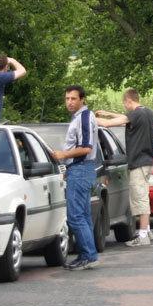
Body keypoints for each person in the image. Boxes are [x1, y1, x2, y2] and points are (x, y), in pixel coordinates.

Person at [96, 88, 153, 246]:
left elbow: (109, 124)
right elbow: (125, 117)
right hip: (147, 161)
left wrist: (89, 118)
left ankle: (142, 235)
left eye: (125, 104)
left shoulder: (135, 114)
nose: (125, 107)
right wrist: (109, 113)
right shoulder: (148, 112)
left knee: (139, 198)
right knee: (144, 195)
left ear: (129, 101)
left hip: (138, 162)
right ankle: (147, 230)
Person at [51, 85, 99, 271]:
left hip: (81, 169)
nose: (69, 102)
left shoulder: (85, 117)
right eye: (67, 99)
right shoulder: (79, 118)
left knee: (75, 216)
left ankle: (88, 255)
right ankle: (87, 254)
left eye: (73, 98)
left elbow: (86, 147)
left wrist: (63, 155)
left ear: (82, 100)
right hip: (79, 168)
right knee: (83, 215)